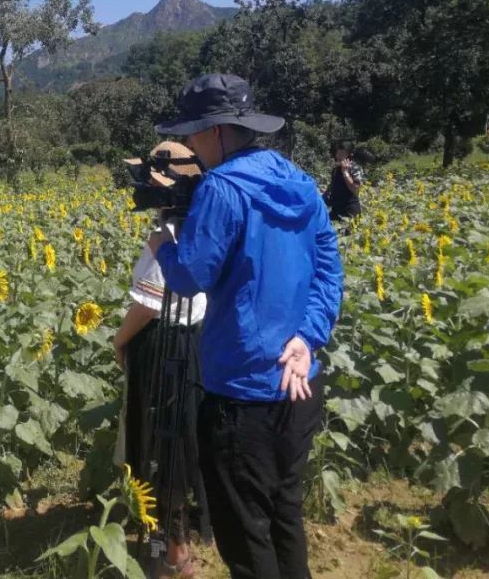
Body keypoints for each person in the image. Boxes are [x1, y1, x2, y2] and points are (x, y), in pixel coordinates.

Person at [147, 74, 343, 579]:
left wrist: (163, 243)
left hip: (240, 391)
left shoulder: (221, 188)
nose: (190, 144)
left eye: (193, 134)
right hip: (298, 380)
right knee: (284, 514)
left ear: (216, 132)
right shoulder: (299, 181)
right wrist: (307, 337)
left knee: (244, 532)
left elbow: (190, 277)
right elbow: (328, 270)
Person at [114, 141, 211, 578]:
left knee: (159, 446)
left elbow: (150, 305)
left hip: (163, 346)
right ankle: (175, 544)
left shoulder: (166, 237)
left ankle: (169, 552)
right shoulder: (205, 228)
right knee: (182, 444)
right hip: (196, 343)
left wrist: (119, 341)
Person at [322, 141, 363, 222]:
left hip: (350, 212)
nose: (338, 156)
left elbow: (355, 190)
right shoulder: (336, 169)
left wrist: (345, 173)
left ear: (349, 155)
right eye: (338, 153)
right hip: (336, 211)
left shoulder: (355, 168)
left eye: (342, 154)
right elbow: (333, 186)